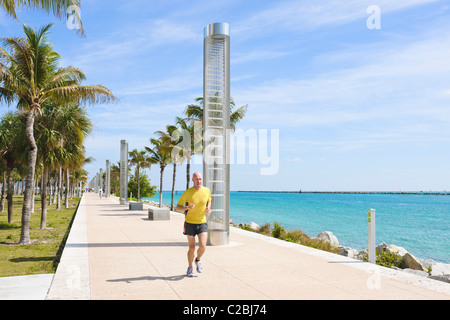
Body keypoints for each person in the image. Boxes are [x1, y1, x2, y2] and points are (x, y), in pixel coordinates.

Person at [176, 172, 211, 277]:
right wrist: (187, 207)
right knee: (192, 248)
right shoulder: (187, 193)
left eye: (200, 179)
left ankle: (198, 259)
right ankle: (190, 267)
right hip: (190, 223)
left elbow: (209, 200)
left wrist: (208, 207)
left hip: (202, 222)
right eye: (197, 179)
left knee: (203, 246)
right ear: (192, 180)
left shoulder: (206, 190)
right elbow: (178, 207)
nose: (199, 181)